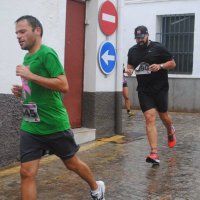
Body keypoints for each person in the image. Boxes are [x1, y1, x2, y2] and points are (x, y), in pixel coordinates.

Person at [12, 15, 105, 200]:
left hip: (54, 125)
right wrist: (23, 91)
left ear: (37, 30)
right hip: (31, 125)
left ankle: (96, 187)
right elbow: (38, 88)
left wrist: (31, 76)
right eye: (16, 33)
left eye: (22, 31)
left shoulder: (47, 54)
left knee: (72, 164)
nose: (18, 36)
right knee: (26, 172)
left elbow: (63, 86)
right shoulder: (27, 57)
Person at [126, 25, 176, 165]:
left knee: (163, 115)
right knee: (149, 118)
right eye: (137, 38)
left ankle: (170, 129)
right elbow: (130, 65)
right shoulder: (132, 50)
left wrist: (160, 66)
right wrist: (129, 70)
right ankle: (154, 152)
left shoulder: (158, 48)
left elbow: (172, 63)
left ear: (147, 35)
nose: (139, 40)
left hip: (160, 88)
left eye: (142, 37)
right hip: (144, 90)